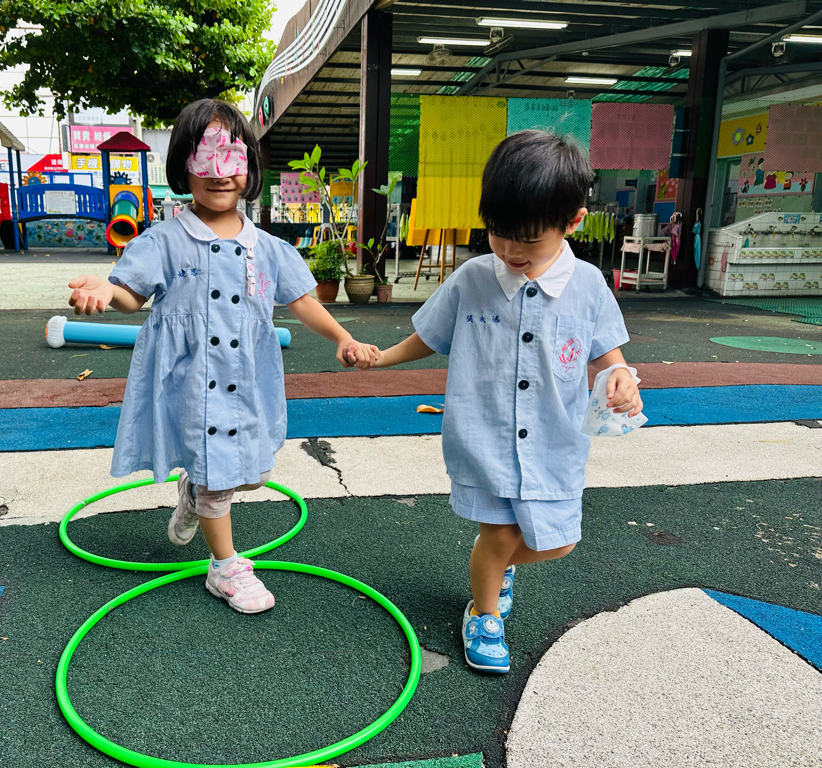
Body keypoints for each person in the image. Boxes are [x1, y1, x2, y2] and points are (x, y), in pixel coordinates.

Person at [68, 99, 378, 614]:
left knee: (248, 473)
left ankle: (194, 494)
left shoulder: (268, 248)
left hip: (246, 379)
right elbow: (130, 295)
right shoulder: (165, 241)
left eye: (231, 156)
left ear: (249, 167)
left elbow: (303, 301)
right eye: (204, 155)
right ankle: (225, 566)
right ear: (183, 165)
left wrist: (342, 337)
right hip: (191, 379)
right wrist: (106, 290)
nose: (219, 171)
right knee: (219, 475)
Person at [351, 131, 643, 673]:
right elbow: (430, 336)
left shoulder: (588, 285)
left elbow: (608, 353)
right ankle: (484, 613)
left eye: (527, 241)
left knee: (559, 543)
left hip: (554, 443)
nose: (509, 251)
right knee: (500, 534)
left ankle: (498, 567)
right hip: (483, 436)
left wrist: (622, 377)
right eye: (498, 234)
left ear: (573, 222)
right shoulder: (473, 279)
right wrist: (382, 358)